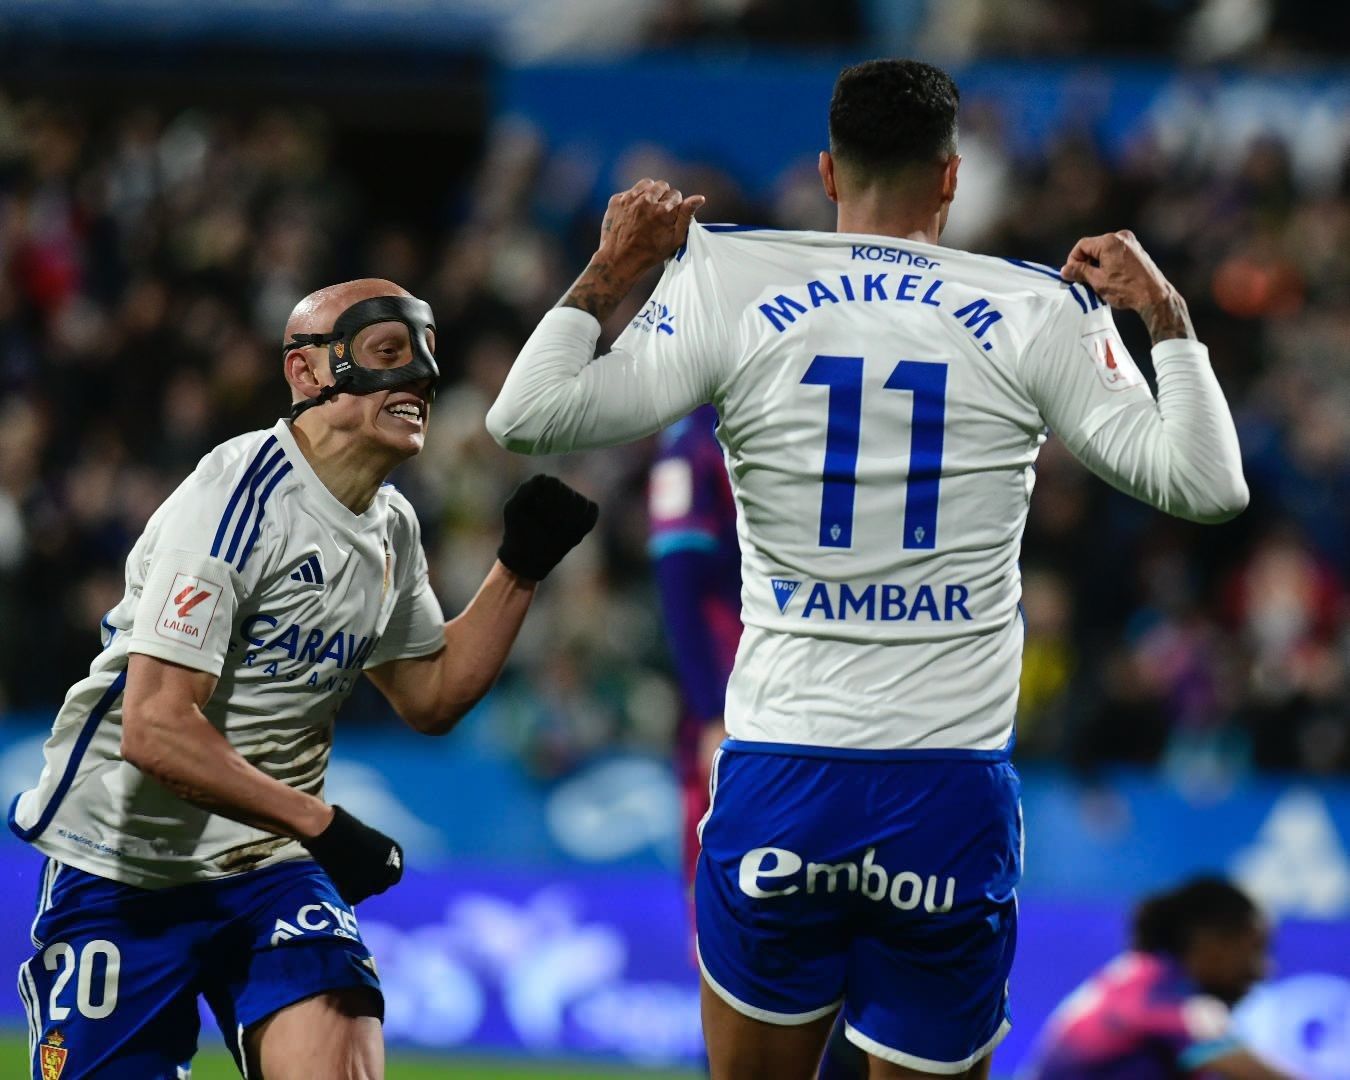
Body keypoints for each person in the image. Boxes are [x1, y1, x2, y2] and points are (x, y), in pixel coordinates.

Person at [485, 59, 1248, 1080]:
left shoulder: (733, 279)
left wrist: (615, 266)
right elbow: (1209, 484)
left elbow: (524, 417)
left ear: (826, 173)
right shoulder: (1034, 308)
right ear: (951, 178)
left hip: (783, 772)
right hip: (948, 786)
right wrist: (1164, 313)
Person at [8, 278, 598, 1080]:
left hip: (269, 868)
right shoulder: (238, 495)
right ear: (309, 372)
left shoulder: (391, 525)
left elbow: (430, 696)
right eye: (389, 352)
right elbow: (154, 728)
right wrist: (320, 824)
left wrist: (519, 569)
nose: (419, 375)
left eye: (426, 356)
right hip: (124, 866)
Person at [1021, 877, 1295, 1080]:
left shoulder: (1141, 973)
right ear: (1214, 943)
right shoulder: (1169, 997)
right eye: (1255, 949)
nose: (1264, 970)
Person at [648, 403, 742, 892]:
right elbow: (679, 583)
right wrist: (711, 712)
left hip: (773, 683)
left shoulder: (705, 439)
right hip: (732, 690)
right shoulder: (695, 448)